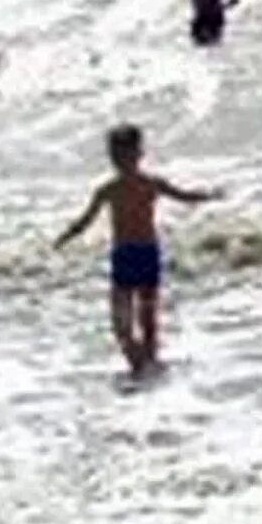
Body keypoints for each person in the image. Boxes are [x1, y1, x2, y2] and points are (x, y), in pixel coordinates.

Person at [54, 123, 221, 377]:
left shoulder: (145, 184)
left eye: (125, 155)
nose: (121, 162)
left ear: (139, 154)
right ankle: (140, 363)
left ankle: (147, 365)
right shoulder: (111, 189)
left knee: (146, 318)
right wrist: (66, 237)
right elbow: (85, 221)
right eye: (116, 157)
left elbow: (184, 196)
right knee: (123, 323)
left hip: (143, 254)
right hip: (130, 254)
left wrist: (209, 195)